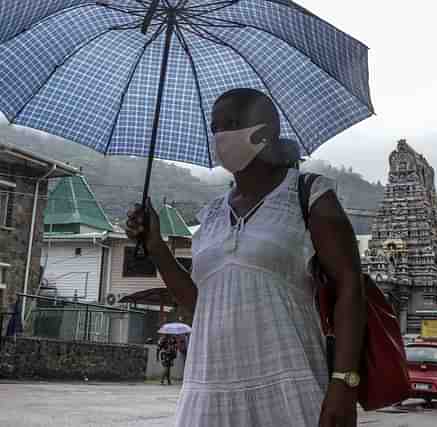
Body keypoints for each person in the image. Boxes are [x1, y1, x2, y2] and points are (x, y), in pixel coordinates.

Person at [126, 88, 366, 427]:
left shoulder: (310, 194)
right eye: (215, 127)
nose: (221, 135)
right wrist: (155, 245)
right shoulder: (210, 215)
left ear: (266, 132)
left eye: (232, 123)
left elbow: (349, 289)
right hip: (209, 392)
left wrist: (344, 382)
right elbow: (199, 304)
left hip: (289, 388)